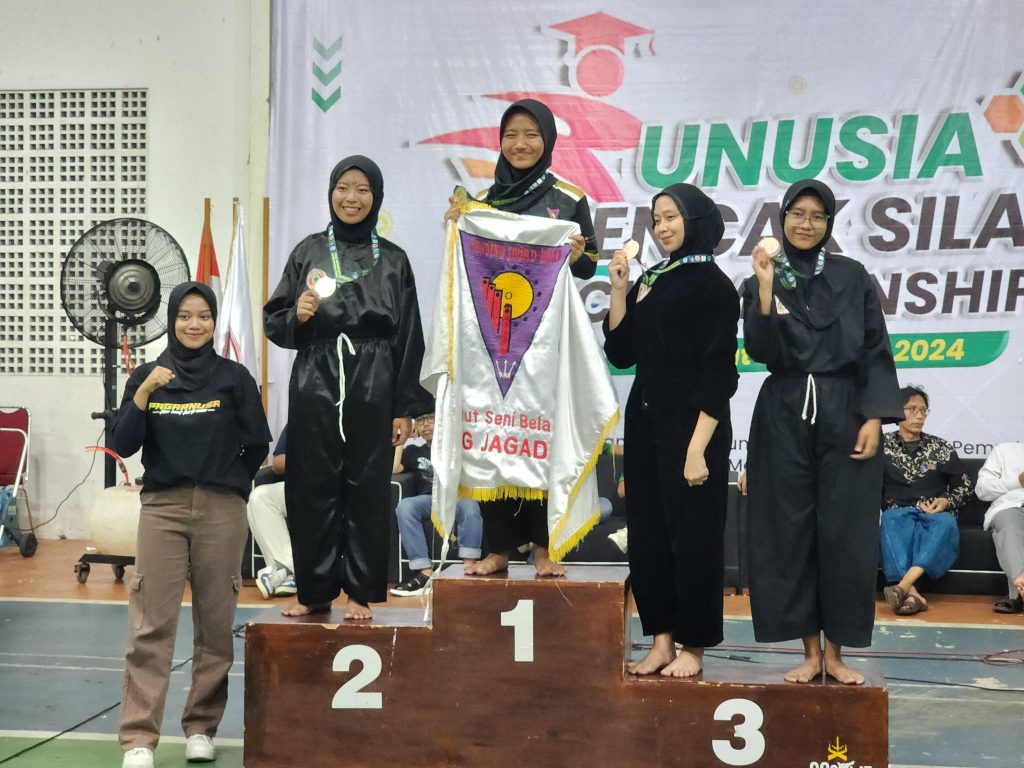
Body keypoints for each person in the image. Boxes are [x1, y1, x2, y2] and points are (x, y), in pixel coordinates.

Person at [742, 179, 903, 685]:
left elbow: (875, 348)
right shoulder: (762, 274)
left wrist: (874, 417)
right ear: (782, 218)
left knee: (845, 533)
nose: (806, 224)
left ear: (829, 223)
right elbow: (762, 351)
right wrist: (765, 287)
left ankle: (836, 653)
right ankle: (809, 652)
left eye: (817, 215)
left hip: (847, 408)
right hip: (784, 408)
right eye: (797, 213)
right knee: (789, 532)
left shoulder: (851, 275)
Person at [264, 155, 433, 620]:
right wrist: (296, 317)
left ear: (376, 197)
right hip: (316, 376)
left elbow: (410, 336)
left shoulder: (394, 259)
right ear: (331, 193)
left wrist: (404, 407)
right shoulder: (308, 250)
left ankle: (360, 592)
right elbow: (274, 320)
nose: (351, 198)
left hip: (375, 377)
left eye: (362, 189)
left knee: (367, 488)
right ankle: (314, 591)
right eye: (343, 188)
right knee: (311, 485)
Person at [112, 282, 271, 768]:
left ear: (214, 321)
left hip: (222, 509)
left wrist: (231, 484)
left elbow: (257, 444)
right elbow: (122, 443)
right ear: (172, 320)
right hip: (162, 508)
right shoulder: (148, 376)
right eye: (184, 315)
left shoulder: (234, 377)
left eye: (203, 315)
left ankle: (201, 727)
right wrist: (143, 393)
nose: (194, 324)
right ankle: (139, 738)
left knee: (216, 625)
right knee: (150, 625)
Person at [443, 98, 600, 577]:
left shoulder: (569, 198)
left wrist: (577, 255)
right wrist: (456, 227)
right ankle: (498, 549)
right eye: (511, 135)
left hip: (546, 341)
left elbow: (589, 264)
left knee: (541, 434)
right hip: (493, 340)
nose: (521, 144)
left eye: (531, 134)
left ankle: (544, 548)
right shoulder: (481, 203)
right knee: (492, 435)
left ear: (547, 140)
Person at [604, 183, 739, 677]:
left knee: (694, 539)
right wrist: (619, 289)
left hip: (694, 426)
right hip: (647, 421)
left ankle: (693, 645)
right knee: (649, 536)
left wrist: (697, 449)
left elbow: (719, 375)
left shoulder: (714, 286)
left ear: (696, 220)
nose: (661, 227)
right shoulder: (652, 278)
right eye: (657, 218)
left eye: (671, 217)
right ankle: (660, 640)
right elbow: (622, 352)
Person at [879, 386, 971, 615]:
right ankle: (912, 594)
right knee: (890, 520)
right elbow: (867, 484)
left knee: (947, 523)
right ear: (897, 412)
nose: (919, 415)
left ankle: (903, 586)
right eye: (912, 409)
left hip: (933, 513)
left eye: (923, 410)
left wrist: (946, 502)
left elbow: (965, 485)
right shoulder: (881, 446)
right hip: (898, 511)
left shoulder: (940, 447)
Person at [390, 412, 482, 596]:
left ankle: (469, 567)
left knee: (470, 505)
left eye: (431, 419)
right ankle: (424, 572)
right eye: (420, 421)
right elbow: (394, 468)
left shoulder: (457, 448)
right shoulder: (414, 452)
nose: (425, 424)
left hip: (456, 499)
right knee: (405, 506)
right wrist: (403, 439)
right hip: (428, 500)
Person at [247, 425, 296, 599]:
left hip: (337, 490)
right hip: (300, 488)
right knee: (259, 497)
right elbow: (278, 464)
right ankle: (289, 571)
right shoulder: (299, 419)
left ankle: (283, 571)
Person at [975, 442, 1024, 613]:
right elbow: (982, 490)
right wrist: (1018, 481)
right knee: (1010, 524)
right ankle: (1020, 586)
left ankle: (1018, 595)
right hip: (1010, 507)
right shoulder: (1005, 451)